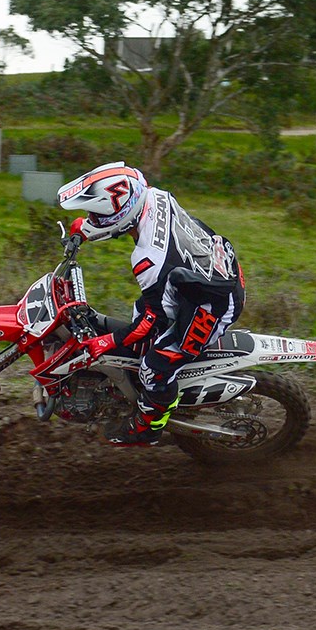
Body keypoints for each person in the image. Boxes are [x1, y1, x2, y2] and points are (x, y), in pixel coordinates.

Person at [57, 161, 245, 446]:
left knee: (154, 367)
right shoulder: (153, 195)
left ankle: (150, 427)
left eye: (97, 215)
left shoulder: (149, 259)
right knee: (138, 322)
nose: (92, 219)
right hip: (203, 273)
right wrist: (84, 229)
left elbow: (153, 321)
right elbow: (120, 218)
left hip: (212, 304)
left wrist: (106, 342)